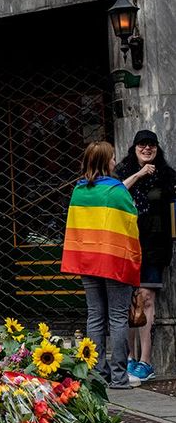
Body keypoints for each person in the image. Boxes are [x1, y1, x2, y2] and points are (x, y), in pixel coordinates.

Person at [61, 141, 142, 389]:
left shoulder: (79, 190)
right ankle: (119, 376)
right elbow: (131, 224)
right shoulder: (116, 190)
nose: (115, 162)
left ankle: (97, 374)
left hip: (87, 260)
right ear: (106, 161)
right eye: (113, 158)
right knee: (117, 318)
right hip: (114, 260)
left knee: (95, 317)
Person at [115, 129, 176, 381]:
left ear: (157, 148)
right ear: (135, 147)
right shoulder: (122, 171)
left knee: (147, 298)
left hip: (154, 245)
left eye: (151, 145)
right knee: (129, 299)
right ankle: (128, 358)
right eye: (142, 144)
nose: (147, 149)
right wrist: (139, 174)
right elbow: (116, 193)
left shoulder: (167, 175)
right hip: (126, 244)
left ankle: (146, 361)